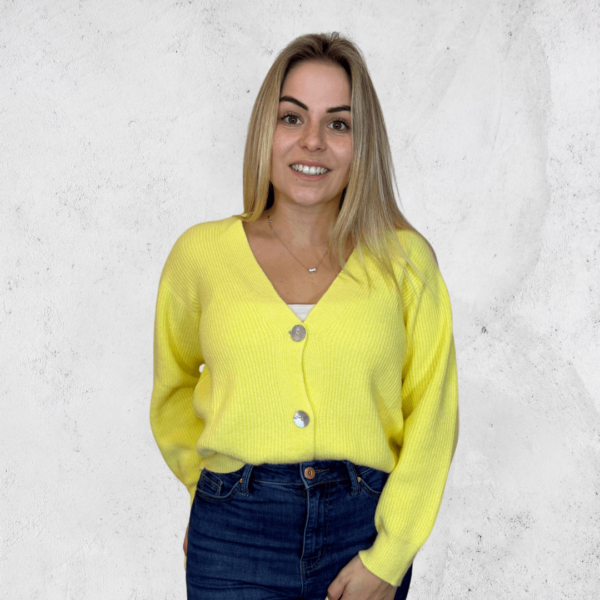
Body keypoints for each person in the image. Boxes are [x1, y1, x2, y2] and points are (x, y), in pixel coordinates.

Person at [150, 32, 459, 600]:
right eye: (292, 118)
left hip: (361, 535)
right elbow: (172, 391)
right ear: (264, 132)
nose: (312, 141)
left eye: (338, 124)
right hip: (233, 536)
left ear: (362, 144)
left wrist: (390, 557)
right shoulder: (201, 255)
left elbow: (433, 415)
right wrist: (210, 491)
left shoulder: (405, 263)